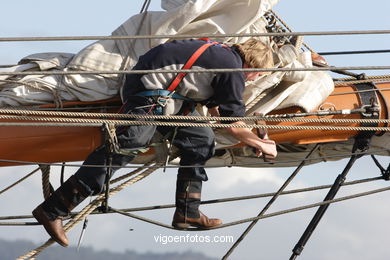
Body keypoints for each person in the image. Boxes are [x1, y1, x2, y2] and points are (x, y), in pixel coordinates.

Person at [32, 37, 278, 247]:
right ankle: (53, 209)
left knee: (202, 140)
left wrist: (248, 136)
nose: (254, 80)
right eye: (258, 74)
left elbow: (218, 110)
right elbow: (233, 124)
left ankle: (187, 212)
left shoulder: (222, 56)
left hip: (171, 99)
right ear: (252, 64)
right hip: (149, 95)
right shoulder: (232, 68)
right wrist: (261, 144)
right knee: (126, 146)